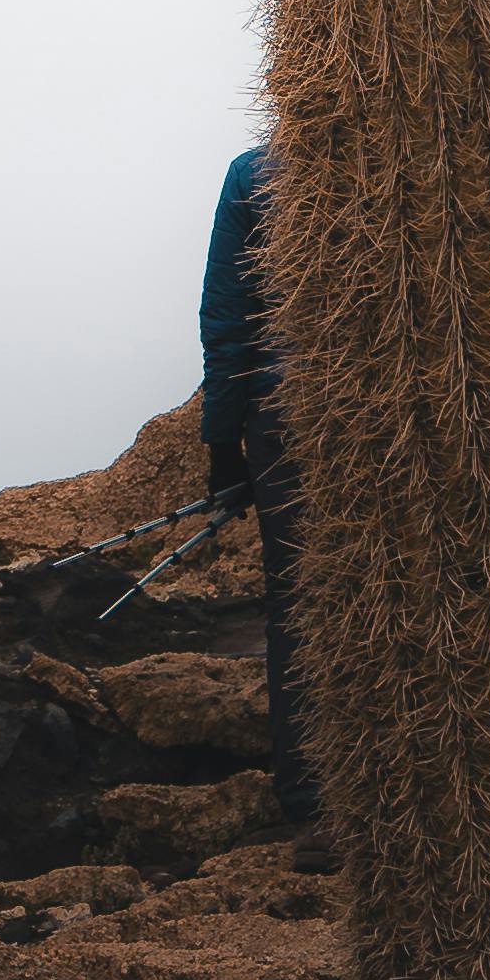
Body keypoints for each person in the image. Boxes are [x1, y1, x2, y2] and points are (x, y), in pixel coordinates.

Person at [199, 141, 332, 864]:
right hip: (443, 408)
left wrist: (225, 445)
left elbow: (229, 320)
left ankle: (316, 808)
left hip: (290, 413)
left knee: (303, 601)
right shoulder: (463, 143)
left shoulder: (259, 172)